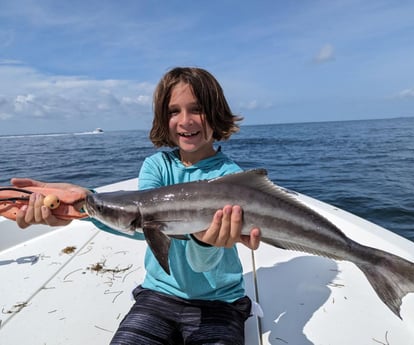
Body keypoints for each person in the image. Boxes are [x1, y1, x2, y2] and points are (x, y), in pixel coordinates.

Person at [12, 66, 261, 345]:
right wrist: (82, 204)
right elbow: (141, 223)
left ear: (216, 113)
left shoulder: (232, 180)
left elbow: (202, 264)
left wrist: (205, 243)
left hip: (219, 301)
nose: (185, 120)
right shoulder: (156, 166)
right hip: (158, 294)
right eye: (173, 111)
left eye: (197, 109)